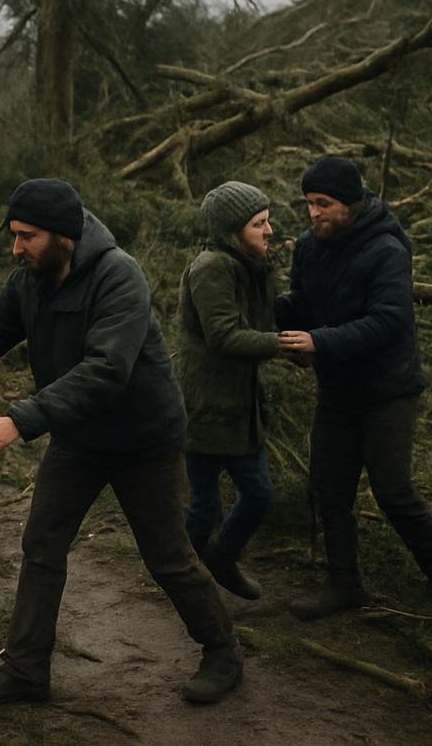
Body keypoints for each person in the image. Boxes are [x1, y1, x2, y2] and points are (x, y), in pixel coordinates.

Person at [0, 178, 243, 708]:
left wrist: (21, 418)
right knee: (42, 543)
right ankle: (27, 670)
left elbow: (106, 370)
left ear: (63, 234)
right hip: (79, 436)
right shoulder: (30, 280)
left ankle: (222, 650)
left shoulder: (118, 276)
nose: (16, 248)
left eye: (26, 236)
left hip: (142, 439)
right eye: (14, 235)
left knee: (167, 556)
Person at [276, 156, 432, 619]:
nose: (314, 213)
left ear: (352, 204)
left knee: (392, 490)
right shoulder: (307, 246)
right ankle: (344, 586)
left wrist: (320, 341)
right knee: (328, 490)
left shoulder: (387, 250)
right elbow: (302, 302)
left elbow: (388, 321)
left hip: (388, 390)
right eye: (309, 203)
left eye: (324, 203)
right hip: (338, 390)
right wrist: (264, 307)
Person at [176, 181, 280, 601]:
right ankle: (182, 575)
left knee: (258, 495)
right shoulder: (211, 268)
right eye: (259, 224)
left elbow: (261, 318)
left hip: (242, 407)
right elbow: (224, 336)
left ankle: (220, 558)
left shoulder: (249, 266)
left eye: (267, 221)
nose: (269, 231)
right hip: (207, 408)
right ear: (232, 231)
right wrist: (286, 344)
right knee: (204, 507)